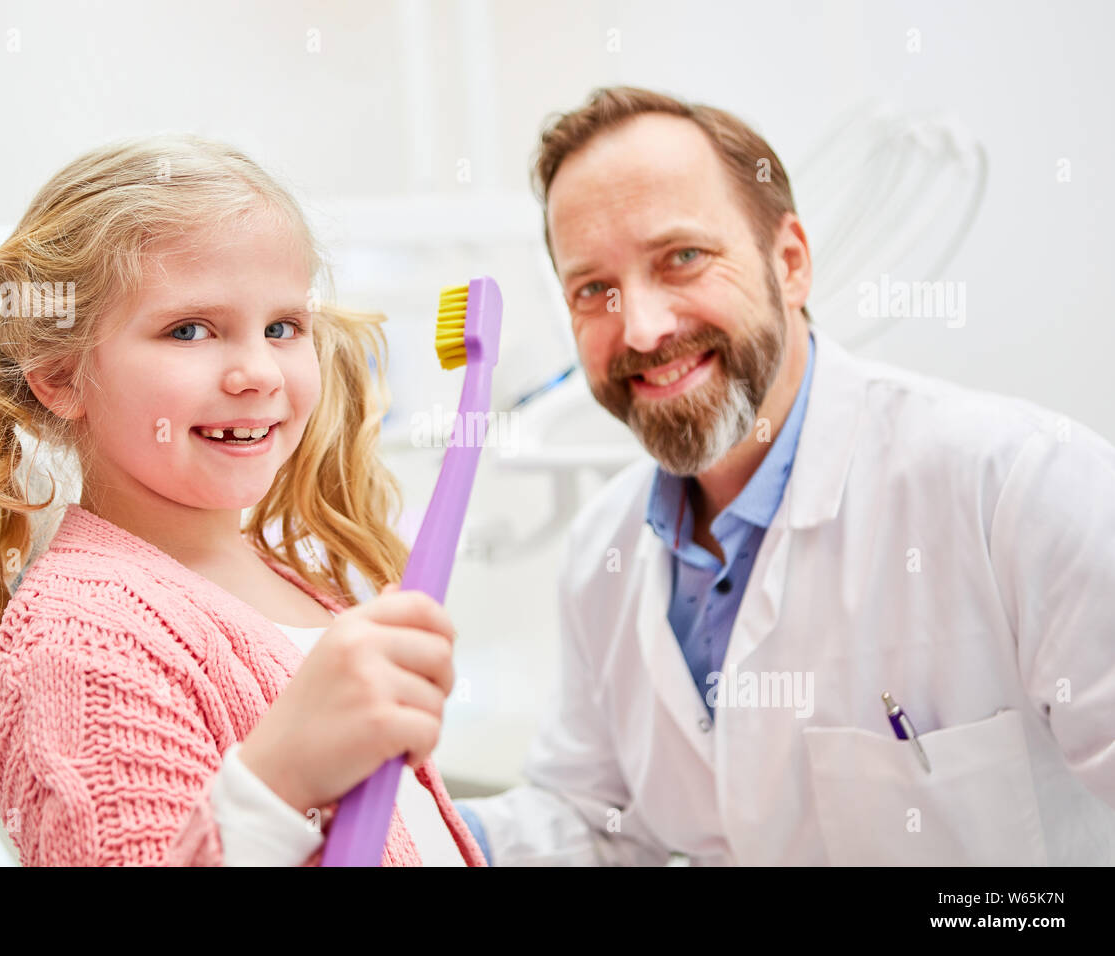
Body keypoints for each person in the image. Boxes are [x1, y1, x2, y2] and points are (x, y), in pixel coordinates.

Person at [455, 86, 1115, 865]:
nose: (641, 327)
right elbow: (595, 823)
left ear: (790, 262)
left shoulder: (1019, 487)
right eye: (593, 289)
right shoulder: (603, 550)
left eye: (683, 258)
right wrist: (411, 831)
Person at [0, 133, 487, 867]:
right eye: (189, 329)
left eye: (283, 327)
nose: (257, 372)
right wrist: (281, 781)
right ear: (59, 376)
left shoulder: (284, 580)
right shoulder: (81, 645)